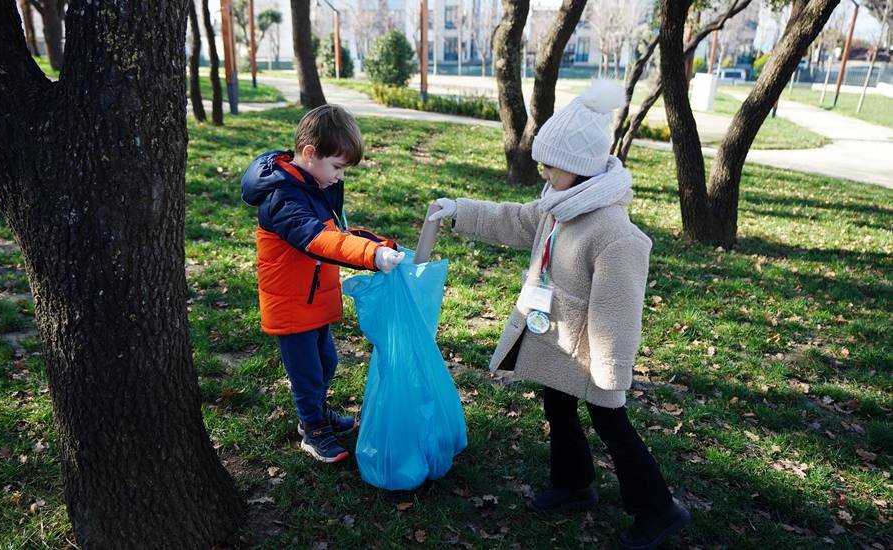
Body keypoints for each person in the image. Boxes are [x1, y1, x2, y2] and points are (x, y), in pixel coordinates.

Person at [428, 81, 690, 549]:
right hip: (556, 339)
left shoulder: (616, 235)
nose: (543, 172)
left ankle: (658, 509)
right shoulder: (559, 205)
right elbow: (513, 219)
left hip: (592, 356)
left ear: (582, 166)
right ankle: (574, 484)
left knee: (612, 425)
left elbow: (619, 311)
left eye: (552, 164)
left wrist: (611, 372)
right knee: (558, 407)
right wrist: (460, 212)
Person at [240, 104, 404, 463]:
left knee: (326, 362)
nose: (340, 177)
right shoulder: (283, 198)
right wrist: (370, 256)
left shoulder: (313, 186)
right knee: (308, 372)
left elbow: (339, 233)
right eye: (337, 167)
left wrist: (383, 246)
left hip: (312, 299)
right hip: (291, 304)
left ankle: (317, 412)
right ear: (311, 153)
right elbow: (319, 240)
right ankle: (312, 429)